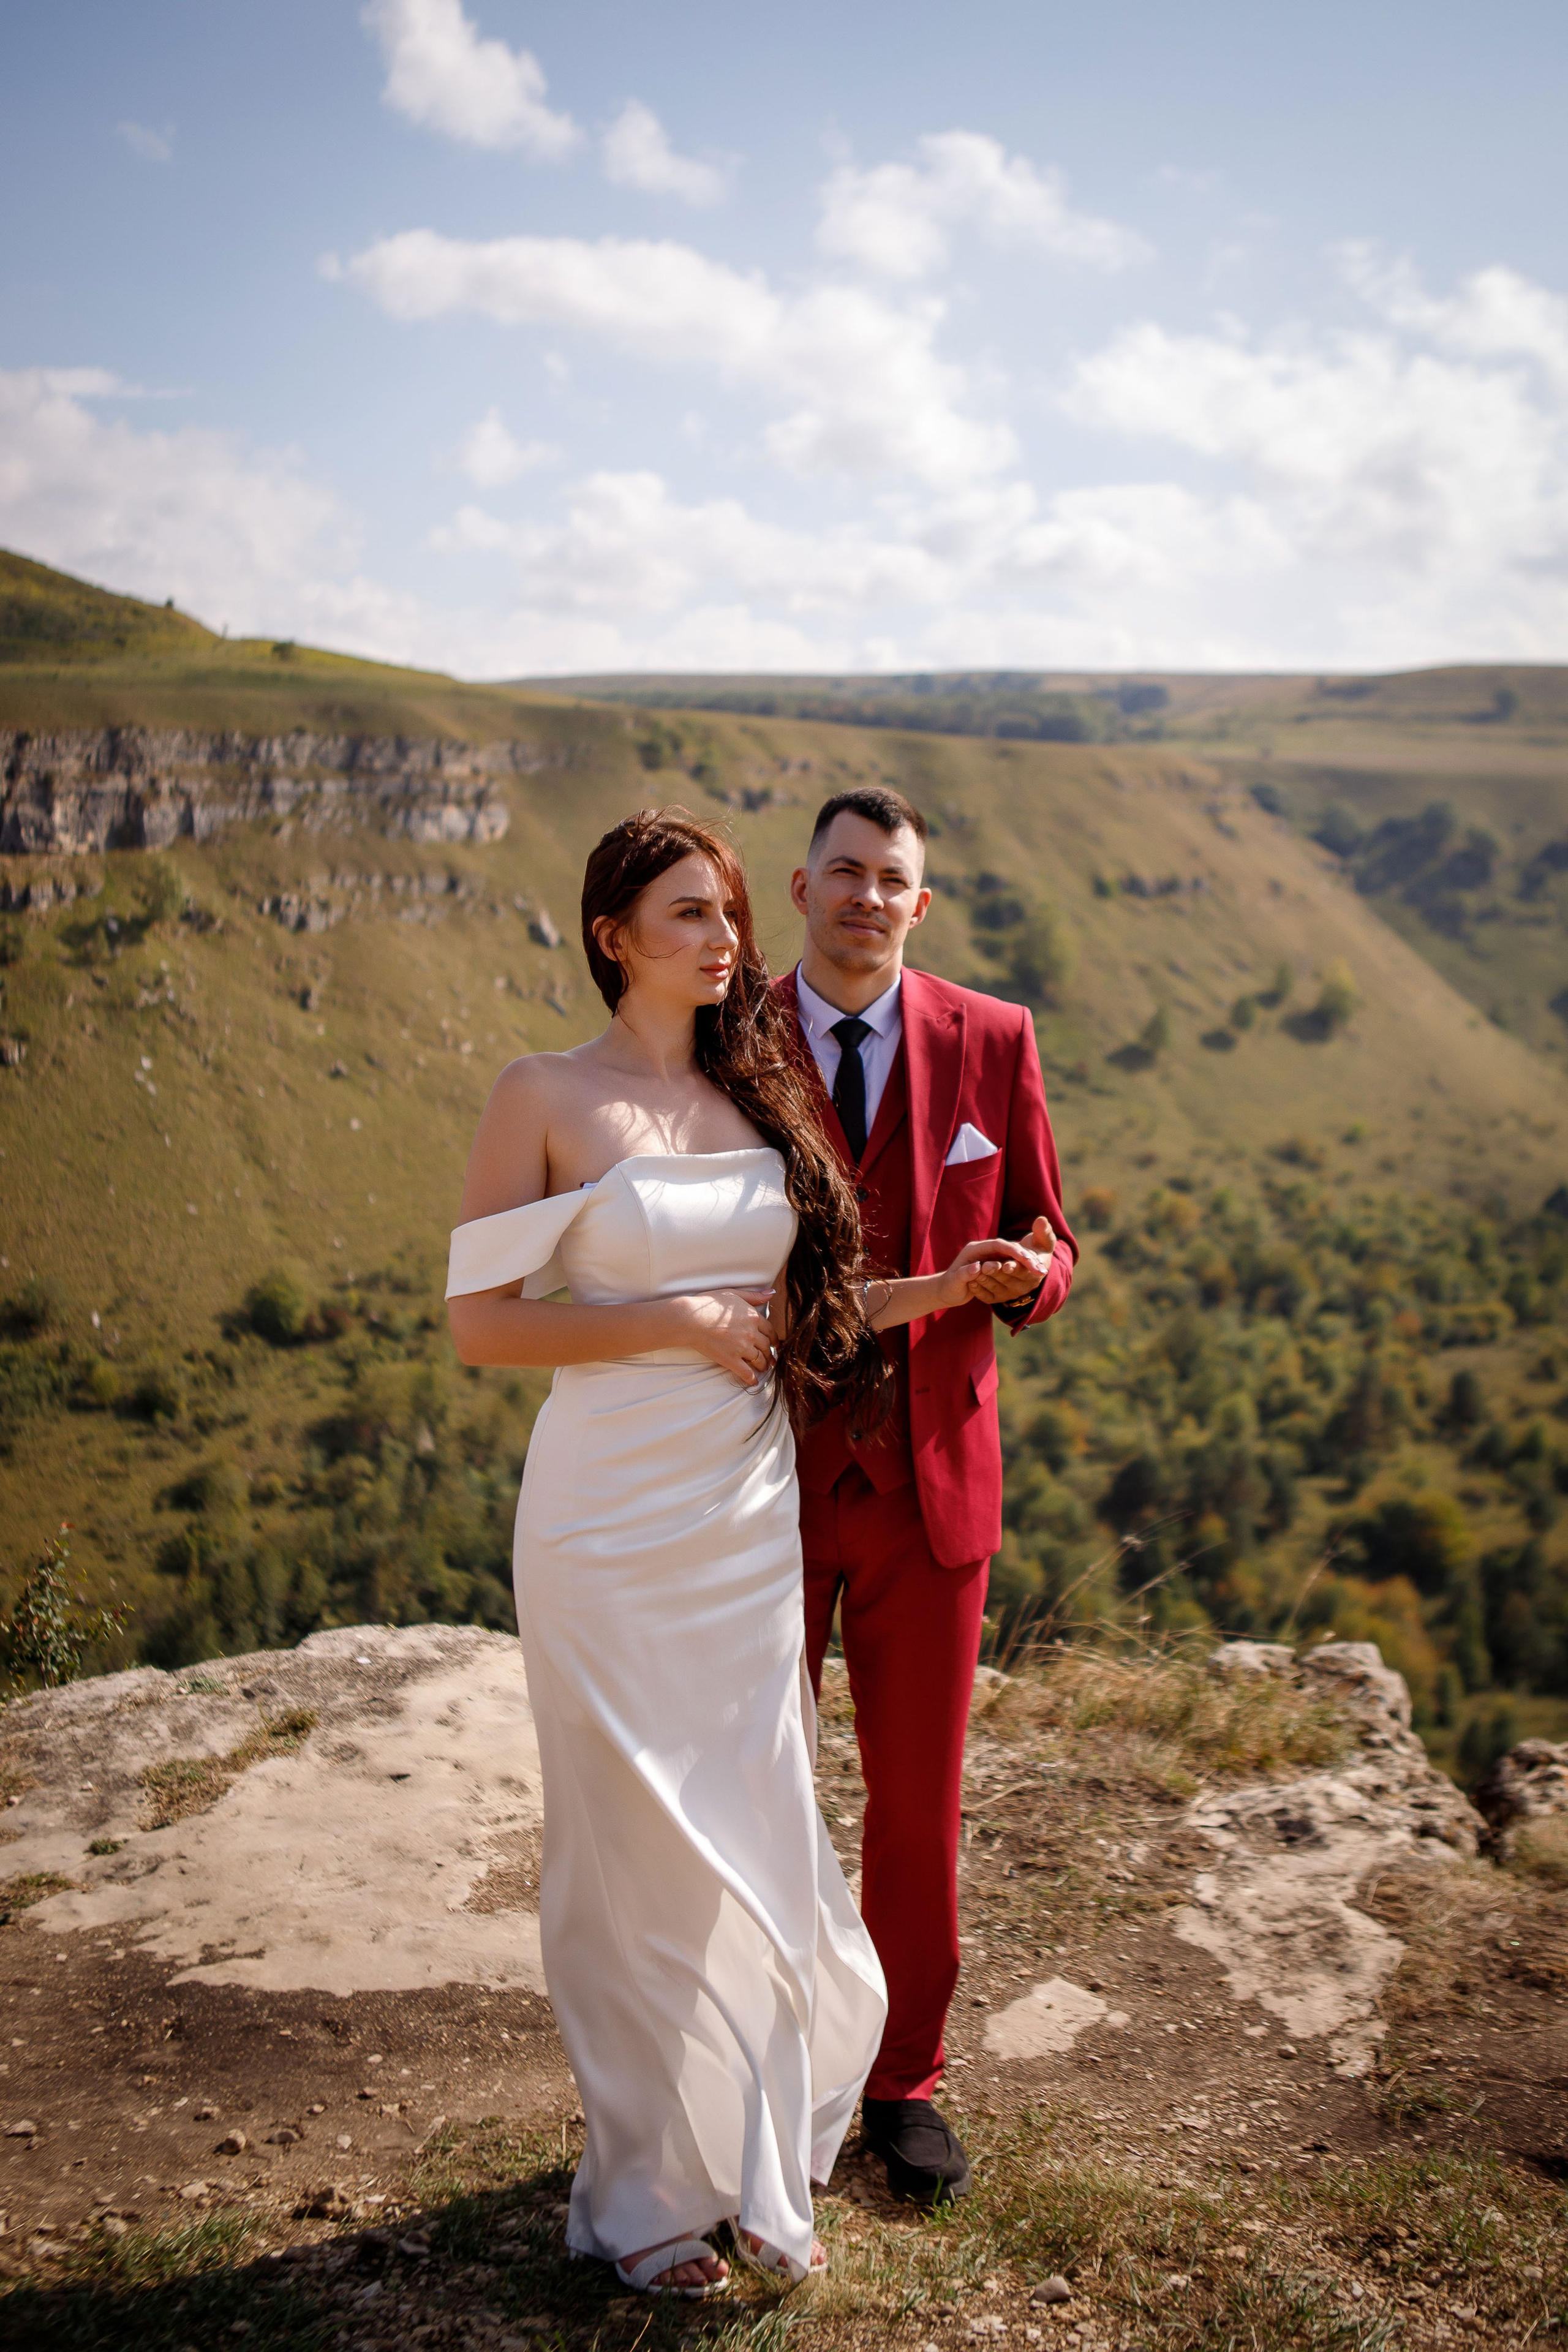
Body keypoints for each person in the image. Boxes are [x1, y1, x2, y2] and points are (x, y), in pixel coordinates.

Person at [445, 808, 1047, 2297]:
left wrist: (955, 1287)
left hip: (741, 1516)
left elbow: (815, 1313)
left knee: (755, 1838)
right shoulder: (542, 1092)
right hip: (602, 1516)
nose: (725, 943)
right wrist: (665, 1321)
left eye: (725, 916)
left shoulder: (755, 1091)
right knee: (629, 1848)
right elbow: (480, 1323)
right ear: (611, 937)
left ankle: (763, 2168)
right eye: (689, 918)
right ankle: (642, 2199)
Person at [778, 785, 1077, 2206]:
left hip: (927, 1493)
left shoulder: (994, 1039)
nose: (865, 896)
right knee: (748, 1794)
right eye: (842, 872)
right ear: (800, 889)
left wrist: (1029, 1280)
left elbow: (1049, 1234)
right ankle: (758, 2066)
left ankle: (902, 2081)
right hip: (754, 1483)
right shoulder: (727, 1040)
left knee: (916, 1812)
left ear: (920, 902)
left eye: (888, 878)